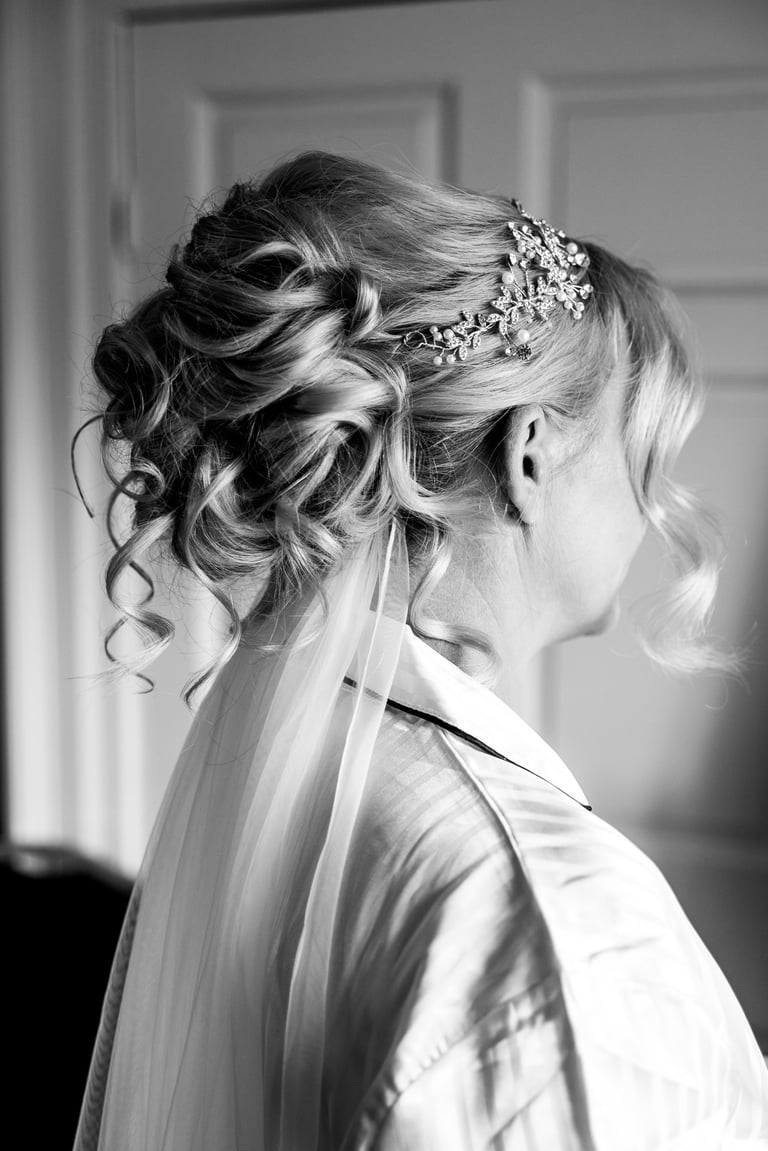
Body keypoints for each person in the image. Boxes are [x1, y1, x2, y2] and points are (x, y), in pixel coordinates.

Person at [73, 151, 768, 1151]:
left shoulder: (274, 730)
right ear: (531, 454)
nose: (657, 499)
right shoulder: (562, 932)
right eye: (643, 449)